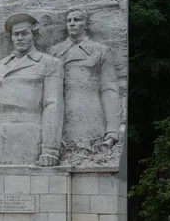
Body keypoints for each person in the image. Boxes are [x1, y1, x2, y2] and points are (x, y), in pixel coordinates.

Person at [0, 13, 64, 165]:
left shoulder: (50, 64)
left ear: (33, 35)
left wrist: (50, 149)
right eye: (16, 34)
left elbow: (52, 106)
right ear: (11, 37)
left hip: (31, 137)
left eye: (25, 33)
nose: (20, 38)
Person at [48, 8, 120, 148]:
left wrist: (112, 131)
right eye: (69, 20)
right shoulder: (54, 51)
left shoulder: (101, 50)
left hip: (91, 113)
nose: (72, 23)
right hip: (62, 115)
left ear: (86, 24)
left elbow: (109, 89)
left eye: (77, 20)